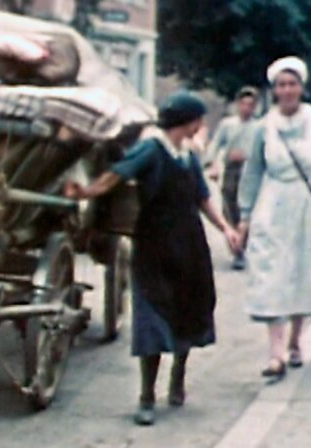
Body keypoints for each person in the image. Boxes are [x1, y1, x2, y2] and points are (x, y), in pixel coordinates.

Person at [66, 91, 241, 426]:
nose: (200, 126)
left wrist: (226, 229)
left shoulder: (189, 155)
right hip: (154, 245)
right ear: (187, 122)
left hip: (189, 245)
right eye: (198, 120)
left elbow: (203, 197)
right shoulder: (152, 148)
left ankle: (177, 376)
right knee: (152, 319)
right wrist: (88, 193)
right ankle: (147, 395)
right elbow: (118, 173)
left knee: (188, 310)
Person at [237, 56, 311, 381]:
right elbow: (253, 171)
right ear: (275, 89)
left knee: (302, 273)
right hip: (274, 203)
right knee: (273, 274)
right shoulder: (265, 126)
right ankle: (275, 353)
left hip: (307, 205)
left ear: (302, 87)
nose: (287, 90)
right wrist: (245, 215)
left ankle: (296, 340)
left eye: (292, 83)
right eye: (281, 85)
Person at [205, 86, 260, 270]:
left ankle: (242, 249)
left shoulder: (259, 127)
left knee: (248, 209)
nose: (246, 108)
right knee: (229, 207)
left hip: (250, 171)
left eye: (250, 105)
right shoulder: (228, 124)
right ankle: (235, 244)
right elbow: (216, 144)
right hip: (231, 170)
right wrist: (211, 163)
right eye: (243, 103)